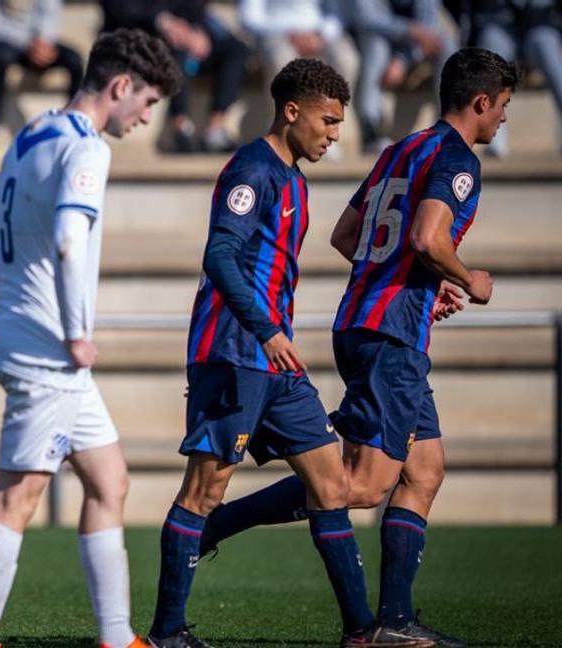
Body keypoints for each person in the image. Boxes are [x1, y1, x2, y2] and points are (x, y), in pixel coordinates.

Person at [196, 47, 519, 648]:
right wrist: (466, 278)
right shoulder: (458, 161)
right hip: (391, 334)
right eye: (502, 106)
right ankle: (221, 522)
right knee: (363, 485)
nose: (503, 118)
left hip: (368, 322)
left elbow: (348, 236)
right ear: (481, 102)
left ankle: (395, 620)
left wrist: (424, 278)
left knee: (424, 470)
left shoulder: (402, 149)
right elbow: (426, 235)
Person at [146, 58, 423, 648]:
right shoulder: (253, 169)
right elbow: (220, 256)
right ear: (291, 111)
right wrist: (267, 329)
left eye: (340, 123)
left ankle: (360, 632)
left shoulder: (295, 179)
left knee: (330, 481)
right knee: (204, 490)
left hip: (274, 363)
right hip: (232, 354)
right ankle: (167, 632)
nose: (334, 134)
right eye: (327, 120)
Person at [0, 28, 180, 648]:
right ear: (120, 86)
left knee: (109, 480)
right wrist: (75, 332)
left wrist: (16, 305)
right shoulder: (87, 149)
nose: (145, 117)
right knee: (18, 496)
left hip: (32, 334)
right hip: (51, 348)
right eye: (148, 102)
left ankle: (116, 636)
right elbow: (67, 239)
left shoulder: (33, 132)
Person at [101, 0, 251, 153]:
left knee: (237, 50)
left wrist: (197, 32)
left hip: (185, 33)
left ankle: (215, 130)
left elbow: (194, 8)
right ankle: (180, 128)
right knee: (176, 51)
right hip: (141, 35)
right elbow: (119, 9)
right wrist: (161, 21)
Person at [0, 0, 85, 161]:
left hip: (38, 42)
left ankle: (75, 129)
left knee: (74, 60)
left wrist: (44, 41)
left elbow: (50, 10)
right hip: (1, 40)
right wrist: (27, 43)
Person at [349, 0, 458, 152]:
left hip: (411, 44)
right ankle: (371, 129)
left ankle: (448, 128)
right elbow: (366, 19)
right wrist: (408, 29)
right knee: (376, 47)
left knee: (446, 44)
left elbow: (427, 23)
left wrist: (402, 60)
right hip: (375, 35)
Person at [466, 0, 561, 157]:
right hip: (499, 23)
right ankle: (493, 135)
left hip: (541, 25)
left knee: (549, 50)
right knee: (491, 49)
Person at [239, 0, 360, 96]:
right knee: (282, 62)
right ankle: (282, 124)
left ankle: (331, 121)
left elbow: (336, 15)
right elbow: (249, 17)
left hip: (318, 32)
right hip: (276, 32)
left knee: (346, 60)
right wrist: (290, 32)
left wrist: (322, 35)